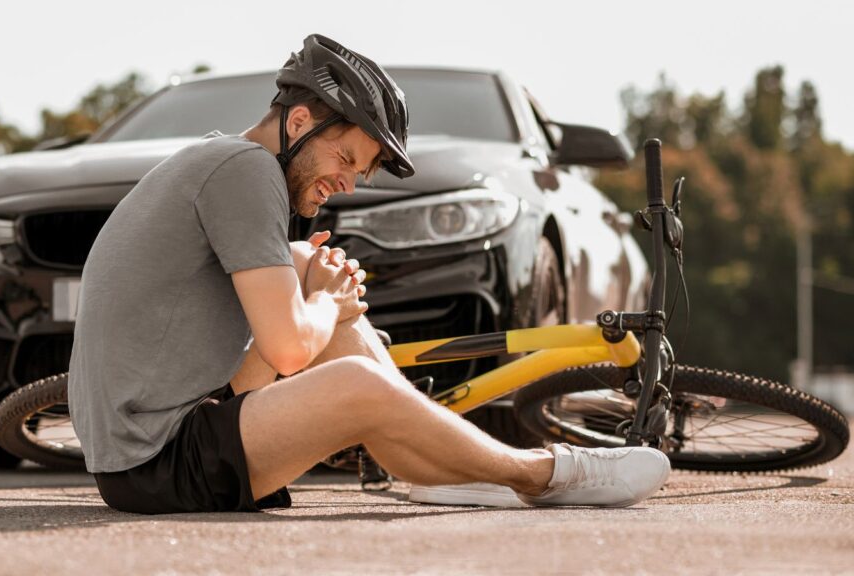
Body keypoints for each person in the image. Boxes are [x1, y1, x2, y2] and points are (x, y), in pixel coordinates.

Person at [67, 34, 670, 514]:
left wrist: (315, 284)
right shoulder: (245, 171)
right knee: (355, 378)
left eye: (360, 171)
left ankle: (445, 471)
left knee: (305, 264)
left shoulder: (221, 159)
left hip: (149, 450)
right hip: (158, 463)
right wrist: (328, 303)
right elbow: (285, 347)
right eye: (346, 158)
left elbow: (274, 323)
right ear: (299, 123)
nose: (347, 184)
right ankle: (541, 475)